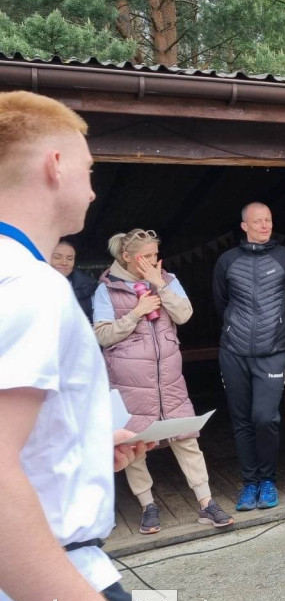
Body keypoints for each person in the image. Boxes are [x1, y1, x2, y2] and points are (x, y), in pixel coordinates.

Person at [0, 90, 171, 601]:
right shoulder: (30, 286)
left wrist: (86, 447)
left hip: (44, 581)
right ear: (55, 165)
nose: (95, 188)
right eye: (89, 168)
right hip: (46, 595)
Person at [94, 229, 233, 535]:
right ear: (128, 257)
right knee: (134, 445)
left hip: (169, 377)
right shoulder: (107, 289)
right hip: (129, 381)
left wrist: (160, 285)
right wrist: (135, 313)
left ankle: (206, 502)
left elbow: (184, 315)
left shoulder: (166, 279)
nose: (154, 261)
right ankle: (148, 506)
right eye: (147, 256)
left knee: (186, 437)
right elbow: (102, 335)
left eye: (156, 255)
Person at [213, 202, 285, 512]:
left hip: (272, 351)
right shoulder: (227, 261)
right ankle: (250, 484)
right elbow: (221, 303)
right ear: (244, 226)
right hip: (233, 352)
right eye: (258, 221)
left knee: (266, 418)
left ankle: (268, 480)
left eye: (268, 219)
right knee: (242, 421)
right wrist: (238, 330)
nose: (265, 225)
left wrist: (275, 331)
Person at [49, 237, 97, 320]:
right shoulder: (28, 285)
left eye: (70, 258)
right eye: (57, 257)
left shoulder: (88, 286)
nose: (64, 263)